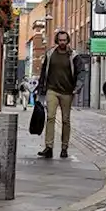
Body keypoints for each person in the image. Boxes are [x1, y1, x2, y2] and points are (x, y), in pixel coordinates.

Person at [37, 30, 79, 158]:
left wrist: (77, 87)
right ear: (57, 40)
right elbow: (44, 72)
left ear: (68, 41)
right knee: (50, 117)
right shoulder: (50, 54)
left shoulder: (73, 55)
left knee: (66, 120)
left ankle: (64, 147)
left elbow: (81, 72)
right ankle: (48, 147)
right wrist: (40, 88)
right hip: (52, 90)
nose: (62, 43)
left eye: (64, 40)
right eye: (60, 40)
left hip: (67, 91)